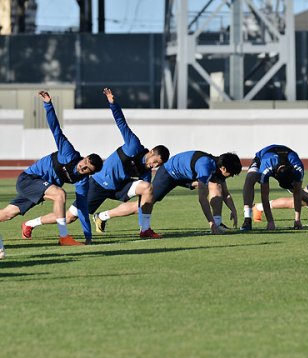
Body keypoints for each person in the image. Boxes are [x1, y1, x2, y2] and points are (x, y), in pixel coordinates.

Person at [24, 88, 169, 240]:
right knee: (70, 217)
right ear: (152, 152)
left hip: (119, 187)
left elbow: (144, 196)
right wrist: (113, 103)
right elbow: (121, 123)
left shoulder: (145, 171)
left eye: (157, 165)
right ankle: (31, 223)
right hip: (98, 185)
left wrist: (143, 214)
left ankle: (143, 230)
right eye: (156, 162)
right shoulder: (133, 145)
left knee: (147, 192)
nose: (154, 166)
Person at [0, 91, 103, 246]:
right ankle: (64, 238)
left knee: (7, 214)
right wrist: (48, 105)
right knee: (59, 194)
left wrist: (88, 237)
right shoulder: (68, 152)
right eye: (85, 162)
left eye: (88, 169)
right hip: (29, 180)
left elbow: (82, 208)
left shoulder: (82, 181)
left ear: (91, 173)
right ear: (84, 157)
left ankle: (55, 234)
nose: (83, 167)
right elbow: (56, 129)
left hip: (41, 188)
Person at [96, 150, 242, 234]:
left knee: (217, 187)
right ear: (223, 169)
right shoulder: (205, 166)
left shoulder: (218, 167)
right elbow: (202, 199)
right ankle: (102, 216)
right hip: (169, 174)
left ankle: (219, 223)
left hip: (185, 175)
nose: (231, 176)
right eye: (232, 173)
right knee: (144, 204)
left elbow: (226, 193)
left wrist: (234, 210)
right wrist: (210, 224)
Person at [240, 145, 305, 230]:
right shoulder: (266, 168)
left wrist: (297, 220)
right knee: (250, 178)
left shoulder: (298, 169)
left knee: (297, 190)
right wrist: (270, 221)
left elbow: (297, 193)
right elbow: (264, 196)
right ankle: (247, 219)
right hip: (262, 157)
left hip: (283, 160)